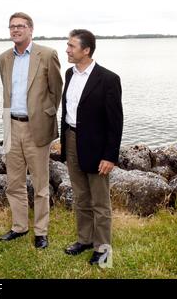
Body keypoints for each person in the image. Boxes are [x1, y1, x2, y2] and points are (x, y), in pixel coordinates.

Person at [0, 12, 63, 249]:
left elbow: (56, 91)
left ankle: (41, 231)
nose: (16, 30)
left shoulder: (47, 54)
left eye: (21, 26)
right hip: (11, 126)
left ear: (30, 29)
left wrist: (44, 115)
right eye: (12, 26)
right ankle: (19, 226)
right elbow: (8, 91)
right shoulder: (4, 58)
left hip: (37, 128)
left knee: (40, 183)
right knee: (14, 182)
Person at [61, 29, 123, 265]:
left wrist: (110, 156)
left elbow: (115, 122)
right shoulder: (69, 74)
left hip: (97, 148)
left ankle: (103, 248)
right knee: (80, 197)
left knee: (100, 202)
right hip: (71, 140)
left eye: (71, 46)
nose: (67, 50)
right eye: (68, 45)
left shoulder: (108, 79)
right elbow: (68, 111)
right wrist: (64, 141)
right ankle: (84, 239)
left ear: (86, 50)